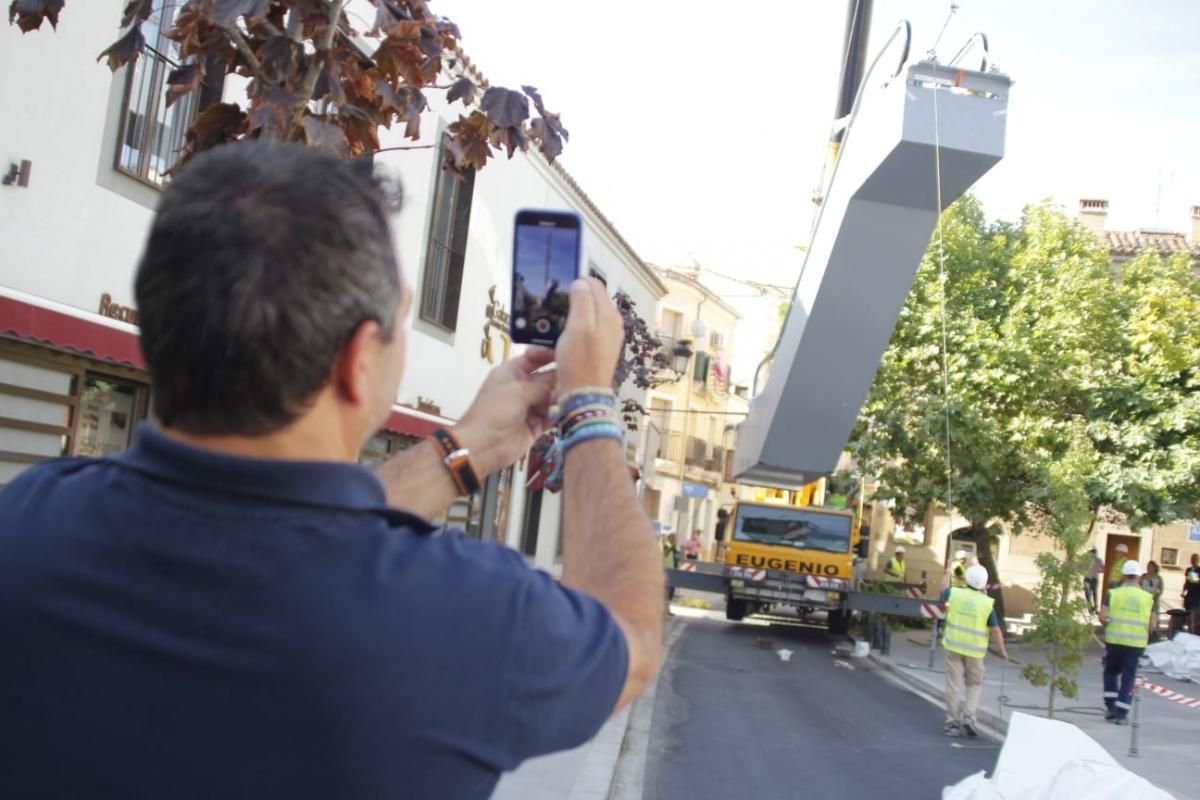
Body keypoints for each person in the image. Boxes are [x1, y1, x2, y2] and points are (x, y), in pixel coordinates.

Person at [0, 143, 665, 799]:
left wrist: (462, 452)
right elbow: (629, 632)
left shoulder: (27, 527)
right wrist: (589, 403)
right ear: (356, 361)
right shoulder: (470, 617)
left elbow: (285, 537)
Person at [941, 564, 1009, 737]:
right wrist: (1002, 650)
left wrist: (948, 571)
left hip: (953, 647)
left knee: (953, 685)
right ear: (984, 584)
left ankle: (952, 723)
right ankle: (969, 717)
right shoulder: (986, 603)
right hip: (975, 652)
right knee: (974, 685)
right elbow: (995, 630)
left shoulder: (954, 593)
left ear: (966, 578)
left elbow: (942, 593)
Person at [1100, 560, 1154, 725]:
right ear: (1139, 576)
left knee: (1110, 673)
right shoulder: (1148, 597)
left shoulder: (1113, 593)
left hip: (1115, 641)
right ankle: (1122, 714)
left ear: (1123, 575)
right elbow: (1153, 624)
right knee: (1128, 678)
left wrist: (1110, 622)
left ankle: (1110, 708)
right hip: (1136, 644)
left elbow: (1103, 616)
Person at [1139, 561, 1164, 640]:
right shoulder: (1143, 576)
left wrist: (1157, 596)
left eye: (1150, 566)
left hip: (1153, 600)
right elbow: (1138, 585)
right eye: (1148, 566)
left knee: (1153, 617)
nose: (1149, 567)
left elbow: (1161, 589)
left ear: (1154, 567)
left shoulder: (1158, 578)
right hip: (1143, 599)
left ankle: (1153, 634)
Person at [1184, 553, 1200, 634]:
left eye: (1195, 559)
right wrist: (1183, 591)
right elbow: (1186, 582)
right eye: (1192, 559)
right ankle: (1189, 628)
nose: (1193, 561)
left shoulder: (1199, 570)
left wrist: (1192, 577)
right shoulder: (1188, 570)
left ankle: (1193, 631)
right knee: (1188, 612)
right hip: (1189, 595)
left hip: (1197, 595)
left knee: (1194, 613)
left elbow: (1195, 581)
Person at [1084, 546, 1104, 613]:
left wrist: (1098, 571)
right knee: (1087, 593)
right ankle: (1090, 608)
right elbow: (1080, 567)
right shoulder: (1086, 560)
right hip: (1087, 578)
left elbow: (1103, 569)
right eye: (1091, 552)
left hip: (1094, 579)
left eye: (1093, 552)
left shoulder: (1099, 560)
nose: (1092, 553)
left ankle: (1095, 608)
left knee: (1095, 593)